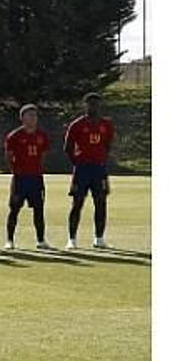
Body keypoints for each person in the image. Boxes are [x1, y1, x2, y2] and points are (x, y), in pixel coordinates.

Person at [65, 92, 115, 249]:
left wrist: (101, 160)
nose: (94, 106)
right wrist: (78, 162)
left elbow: (107, 145)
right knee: (77, 203)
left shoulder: (106, 125)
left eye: (96, 104)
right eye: (90, 103)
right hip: (82, 169)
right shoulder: (77, 125)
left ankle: (99, 238)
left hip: (99, 169)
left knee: (101, 202)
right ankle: (72, 239)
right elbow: (68, 147)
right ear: (85, 105)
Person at [3, 104, 51, 250]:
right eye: (29, 115)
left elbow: (43, 155)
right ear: (22, 118)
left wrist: (37, 170)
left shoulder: (42, 136)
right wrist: (16, 171)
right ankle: (9, 240)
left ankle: (41, 240)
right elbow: (8, 156)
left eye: (34, 116)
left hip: (36, 178)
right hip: (20, 179)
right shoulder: (14, 136)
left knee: (39, 209)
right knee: (15, 209)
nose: (32, 118)